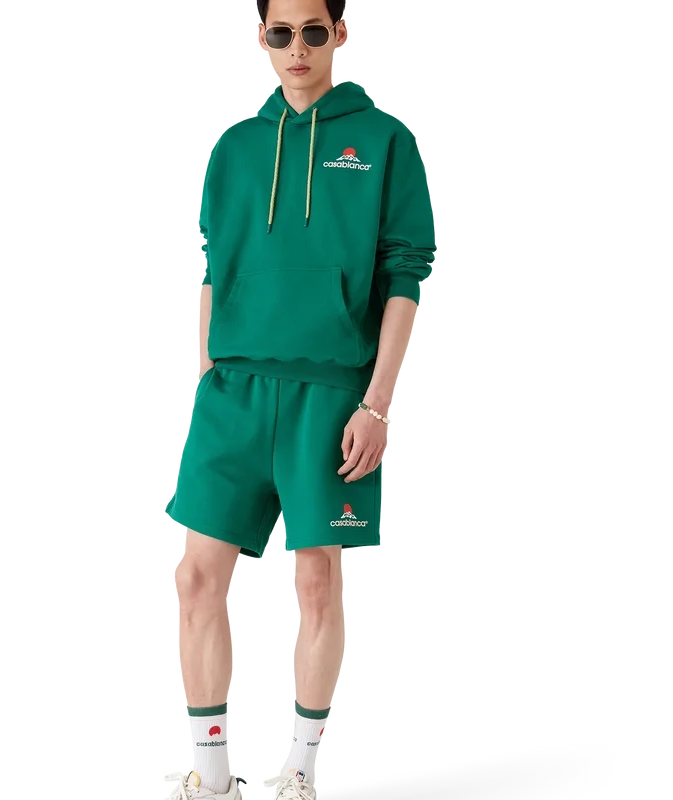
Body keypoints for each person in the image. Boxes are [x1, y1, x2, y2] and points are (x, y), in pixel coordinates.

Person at [166, 0, 436, 796]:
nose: (297, 48)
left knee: (316, 581)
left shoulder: (384, 141)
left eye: (313, 31)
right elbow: (213, 269)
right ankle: (209, 768)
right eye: (280, 33)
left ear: (341, 35)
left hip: (332, 391)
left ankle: (301, 768)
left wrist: (378, 404)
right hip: (233, 391)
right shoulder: (236, 146)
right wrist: (204, 378)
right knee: (195, 577)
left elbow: (406, 275)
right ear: (260, 38)